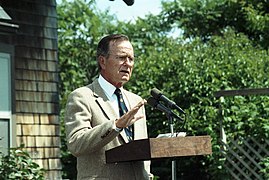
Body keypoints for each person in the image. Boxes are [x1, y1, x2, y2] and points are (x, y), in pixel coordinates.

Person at [64, 34, 153, 180]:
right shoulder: (82, 96)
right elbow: (76, 143)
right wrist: (116, 126)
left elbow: (142, 150)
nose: (128, 63)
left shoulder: (136, 101)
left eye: (131, 59)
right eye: (121, 57)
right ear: (103, 61)